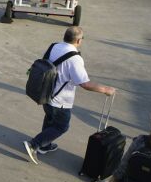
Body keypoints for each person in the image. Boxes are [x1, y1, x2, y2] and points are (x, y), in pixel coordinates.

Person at [23, 26, 116, 164]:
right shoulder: (75, 59)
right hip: (60, 100)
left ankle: (45, 145)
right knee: (61, 126)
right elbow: (85, 84)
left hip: (44, 93)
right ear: (78, 40)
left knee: (50, 119)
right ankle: (34, 144)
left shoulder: (54, 46)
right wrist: (106, 89)